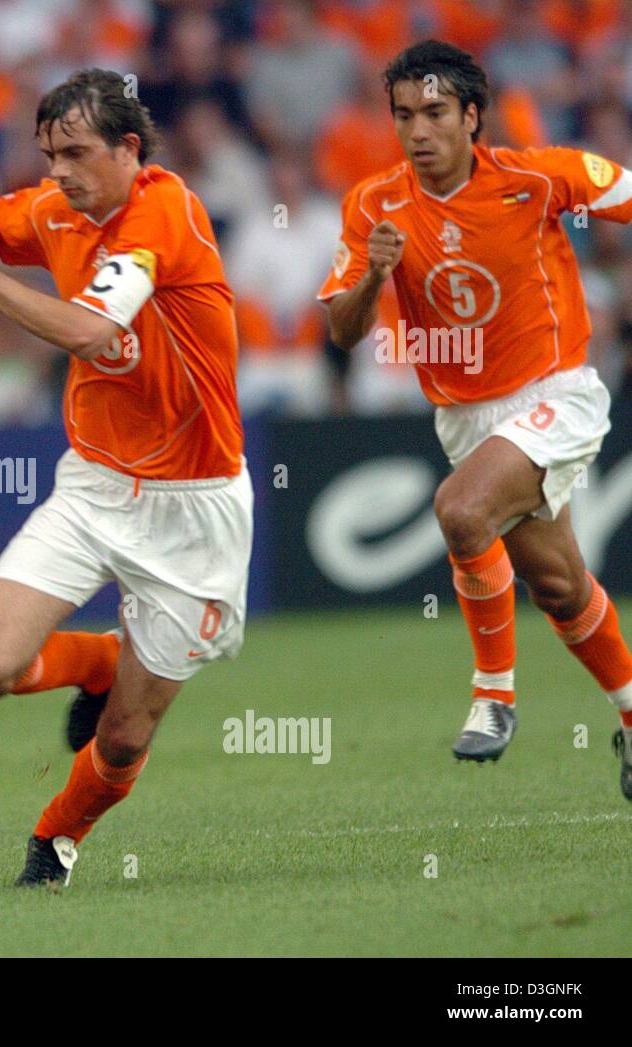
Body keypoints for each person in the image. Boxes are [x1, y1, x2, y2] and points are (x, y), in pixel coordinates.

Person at [0, 68, 252, 888]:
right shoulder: (51, 207)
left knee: (123, 738)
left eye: (76, 153)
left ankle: (54, 838)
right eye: (48, 153)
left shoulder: (166, 211)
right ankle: (98, 658)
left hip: (193, 506)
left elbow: (89, 331)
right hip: (92, 483)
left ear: (129, 149)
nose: (57, 171)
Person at [318, 39, 632, 788]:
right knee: (559, 585)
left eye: (433, 113)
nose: (417, 131)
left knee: (461, 512)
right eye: (402, 115)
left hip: (555, 392)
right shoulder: (373, 204)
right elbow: (343, 330)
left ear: (472, 116)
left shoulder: (538, 177)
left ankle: (493, 697)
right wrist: (376, 276)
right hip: (465, 417)